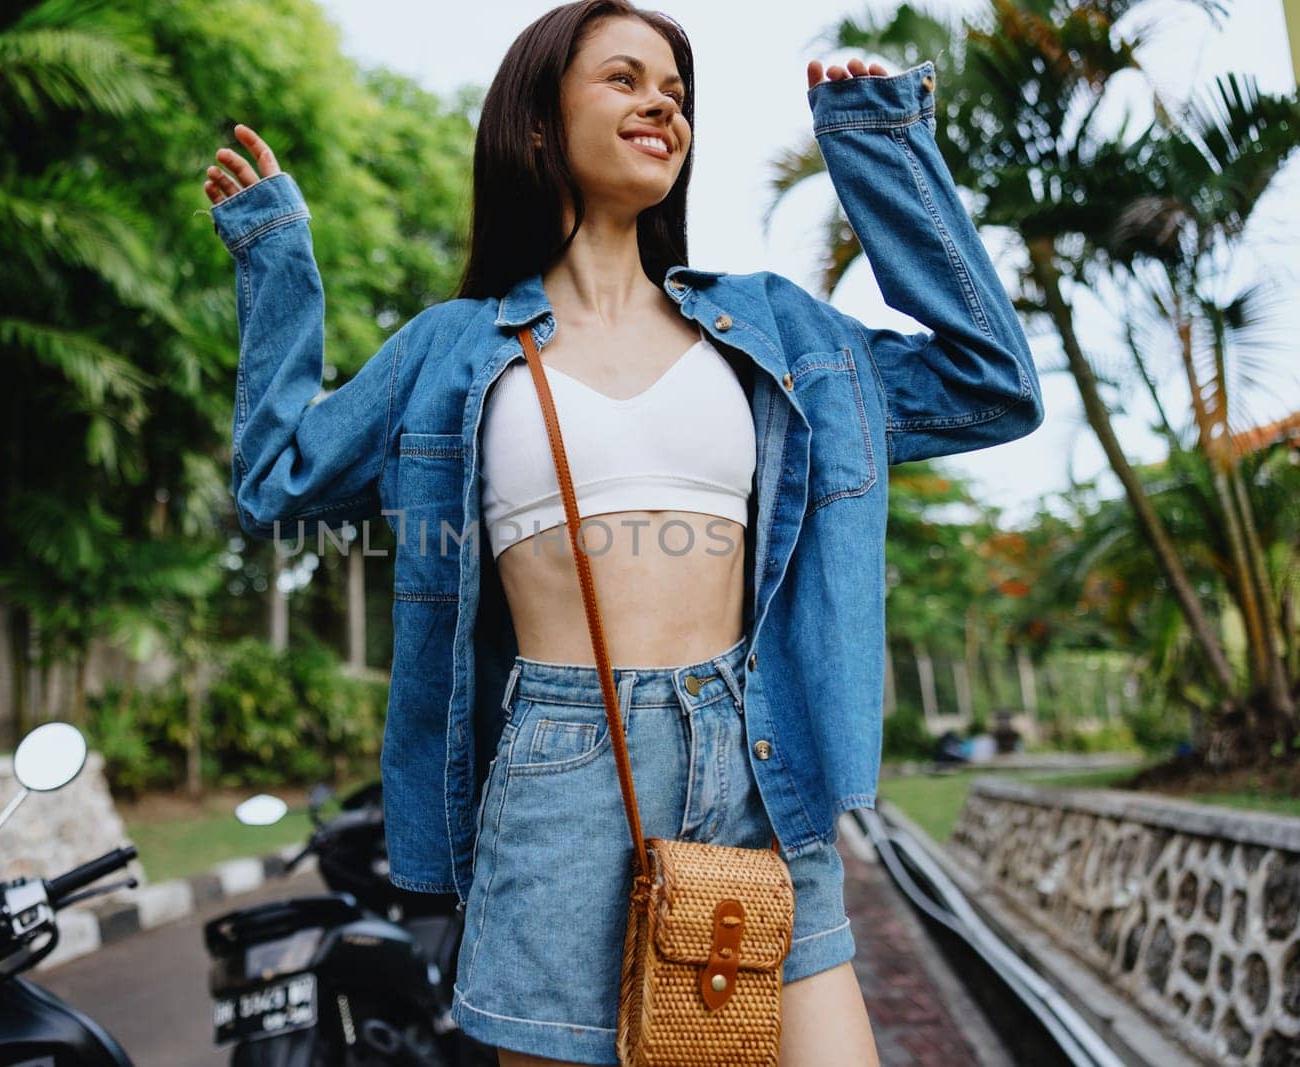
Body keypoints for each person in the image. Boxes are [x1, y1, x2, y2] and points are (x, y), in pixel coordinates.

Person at [202, 3, 1043, 1064]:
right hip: (560, 776)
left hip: (755, 756)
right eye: (624, 79)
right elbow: (278, 480)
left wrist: (876, 145)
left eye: (676, 92)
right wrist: (278, 261)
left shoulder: (770, 326)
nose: (661, 103)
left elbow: (991, 384)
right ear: (540, 123)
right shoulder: (451, 348)